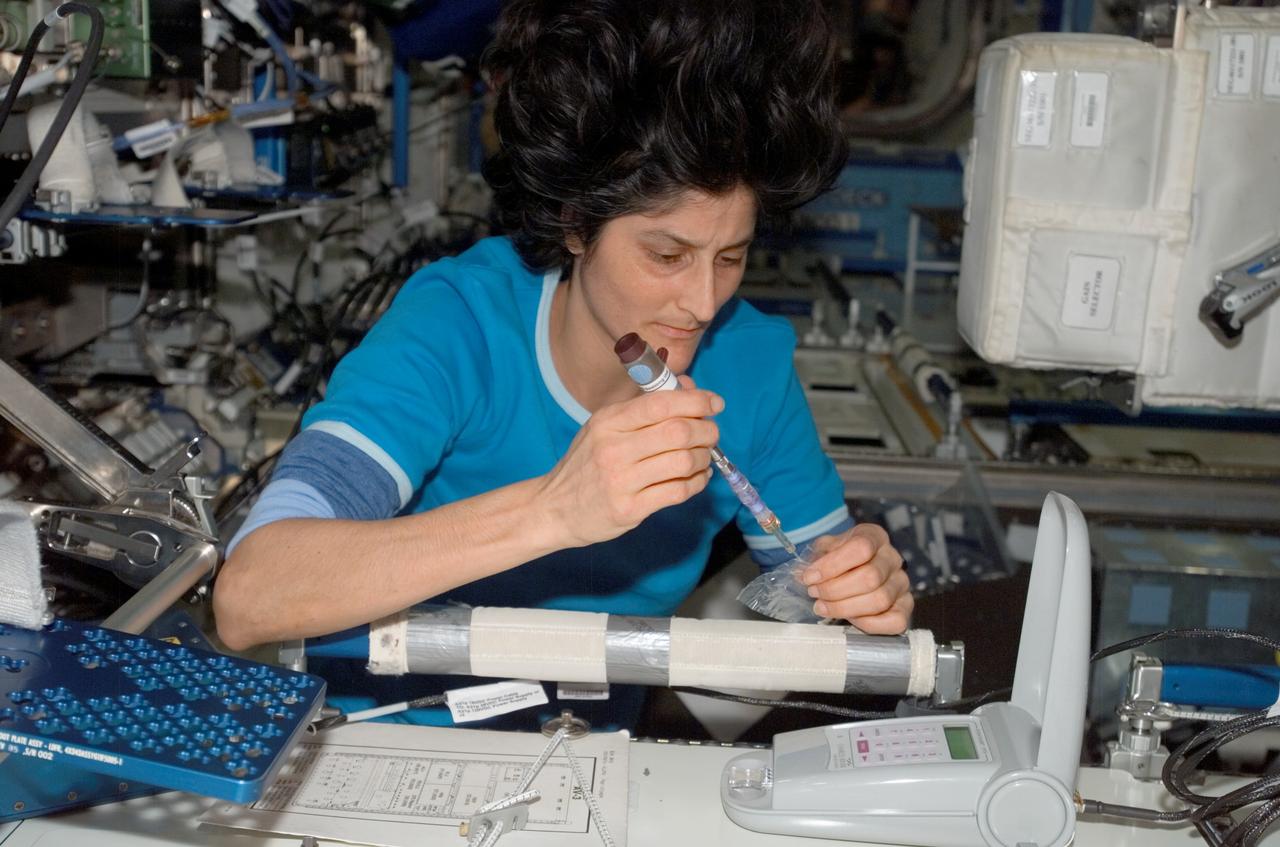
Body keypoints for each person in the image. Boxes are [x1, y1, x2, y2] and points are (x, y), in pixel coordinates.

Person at [213, 0, 913, 726]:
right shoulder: (461, 324)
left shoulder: (750, 364)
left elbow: (819, 595)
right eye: (666, 255)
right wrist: (553, 510)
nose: (703, 301)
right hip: (384, 743)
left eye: (730, 257)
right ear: (577, 226)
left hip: (591, 763)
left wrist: (861, 586)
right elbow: (252, 593)